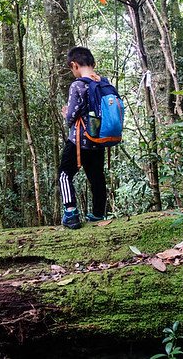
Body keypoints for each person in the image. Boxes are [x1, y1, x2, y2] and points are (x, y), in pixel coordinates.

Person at [58, 47, 108, 229]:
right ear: (93, 64)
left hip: (78, 141)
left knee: (64, 174)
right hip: (99, 140)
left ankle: (71, 213)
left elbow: (71, 117)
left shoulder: (77, 85)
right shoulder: (104, 83)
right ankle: (98, 214)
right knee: (97, 177)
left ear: (74, 65)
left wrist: (66, 114)